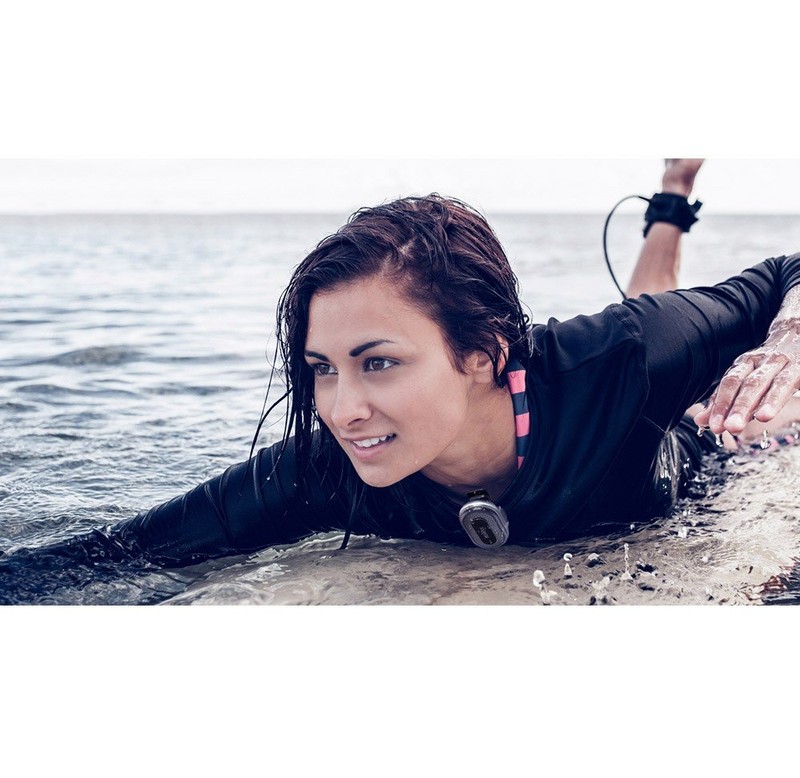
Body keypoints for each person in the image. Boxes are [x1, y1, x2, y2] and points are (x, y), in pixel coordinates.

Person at [4, 159, 800, 587]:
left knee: (715, 379)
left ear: (485, 352)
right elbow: (125, 552)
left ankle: (673, 192)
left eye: (378, 362)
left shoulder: (623, 355)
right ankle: (673, 189)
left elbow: (789, 268)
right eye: (322, 369)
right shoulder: (326, 468)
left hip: (698, 447)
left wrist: (787, 344)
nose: (343, 409)